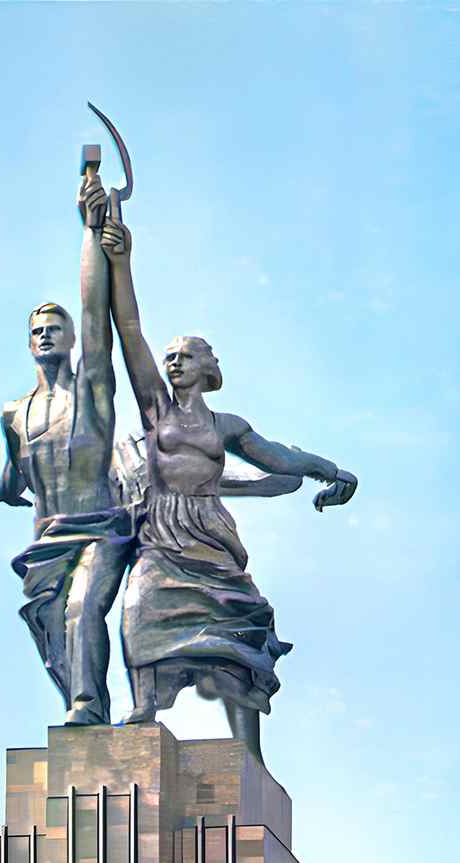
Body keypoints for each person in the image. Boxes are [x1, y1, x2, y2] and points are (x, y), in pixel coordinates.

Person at [98, 212, 356, 766]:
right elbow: (130, 333)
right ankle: (143, 707)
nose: (173, 360)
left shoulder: (226, 427)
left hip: (210, 537)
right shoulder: (155, 409)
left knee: (236, 635)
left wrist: (334, 471)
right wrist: (121, 262)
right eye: (171, 356)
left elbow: (282, 459)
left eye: (186, 354)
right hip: (161, 534)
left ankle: (249, 753)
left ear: (208, 367)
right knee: (139, 607)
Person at [0, 170, 130, 730]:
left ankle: (88, 707)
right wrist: (4, 489)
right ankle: (83, 704)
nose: (46, 335)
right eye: (37, 330)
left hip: (102, 528)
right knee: (47, 624)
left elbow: (97, 315)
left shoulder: (91, 391)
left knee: (81, 608)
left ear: (71, 340)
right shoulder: (13, 413)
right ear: (28, 343)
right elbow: (15, 467)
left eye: (56, 327)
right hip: (47, 538)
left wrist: (90, 230)